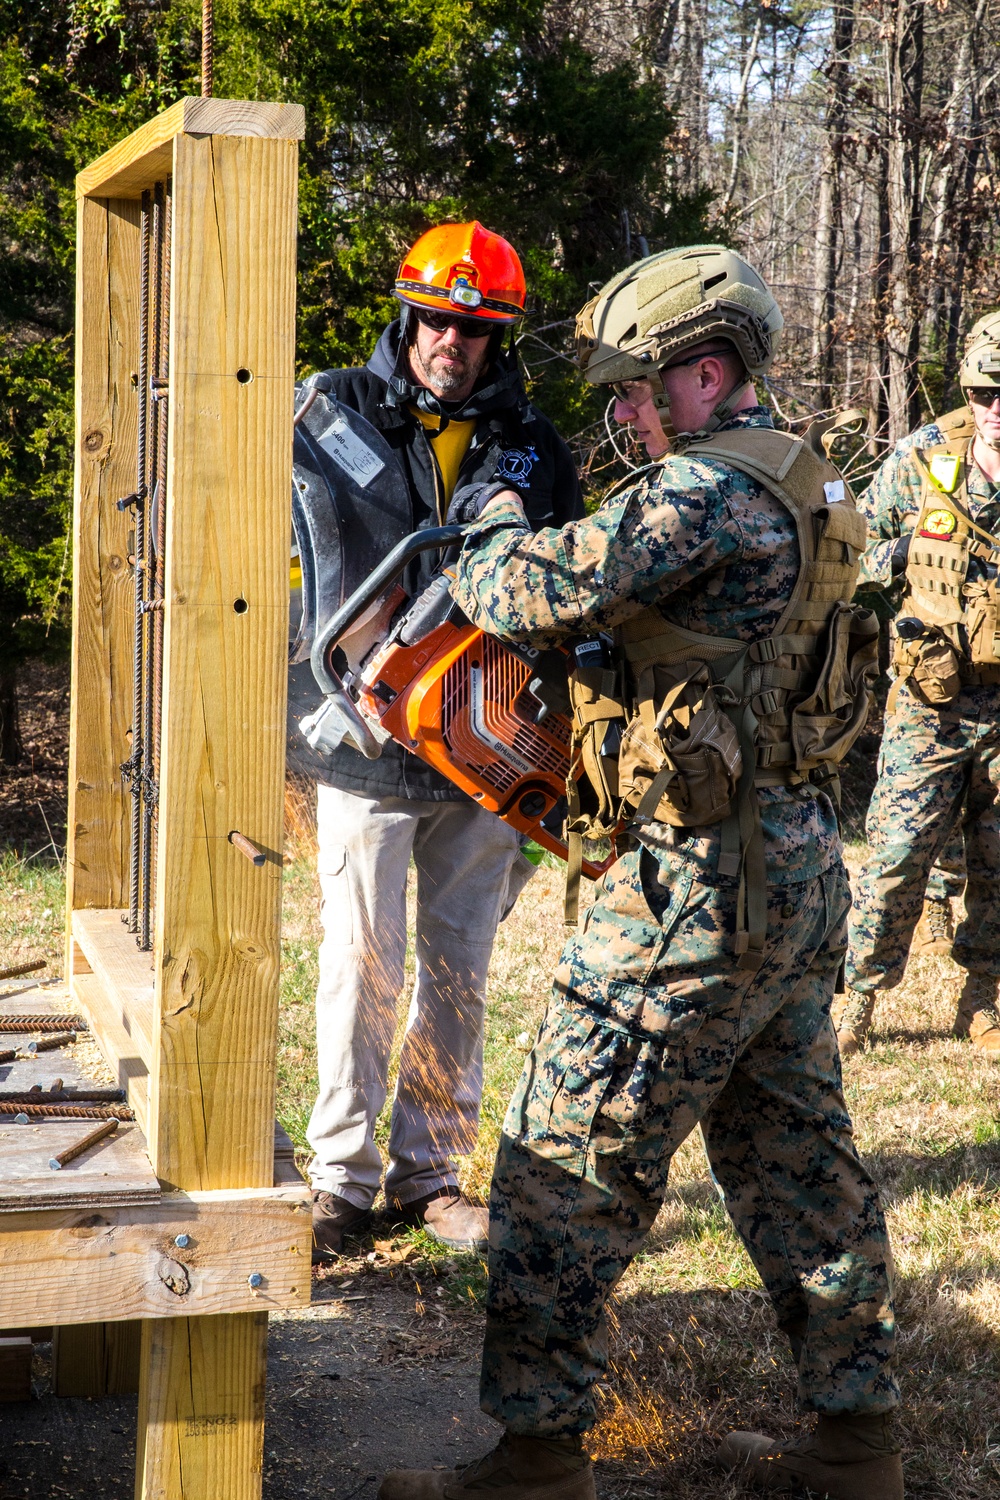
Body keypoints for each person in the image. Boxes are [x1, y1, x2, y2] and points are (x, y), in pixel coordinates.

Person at [379, 247, 900, 1500]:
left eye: (634, 391)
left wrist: (495, 513)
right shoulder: (811, 479)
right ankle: (857, 1443)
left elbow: (524, 590)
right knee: (797, 1165)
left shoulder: (704, 493)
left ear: (706, 375)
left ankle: (538, 1458)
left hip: (691, 894)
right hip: (788, 876)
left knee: (563, 1161)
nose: (618, 416)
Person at [305, 222, 584, 1258]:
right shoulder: (325, 413)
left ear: (498, 337)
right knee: (359, 962)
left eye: (474, 330)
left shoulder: (533, 447)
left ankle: (429, 1173)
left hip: (484, 748)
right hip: (363, 747)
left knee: (458, 967)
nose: (450, 344)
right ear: (405, 312)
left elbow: (563, 590)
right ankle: (341, 1179)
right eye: (436, 321)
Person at [838, 311, 1000, 1059]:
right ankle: (859, 1000)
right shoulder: (929, 456)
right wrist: (912, 547)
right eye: (985, 392)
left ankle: (983, 998)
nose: (998, 409)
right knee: (898, 853)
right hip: (932, 699)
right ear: (967, 389)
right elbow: (851, 550)